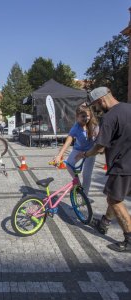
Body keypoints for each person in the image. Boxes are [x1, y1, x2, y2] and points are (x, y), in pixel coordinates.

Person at [76, 87, 131, 253]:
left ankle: (129, 238)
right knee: (115, 197)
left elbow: (99, 148)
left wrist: (85, 154)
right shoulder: (128, 108)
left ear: (101, 100)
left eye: (95, 106)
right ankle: (104, 223)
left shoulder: (109, 117)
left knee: (115, 200)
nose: (96, 109)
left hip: (121, 166)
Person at [54, 105, 99, 197]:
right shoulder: (76, 127)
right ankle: (77, 182)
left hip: (90, 152)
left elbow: (100, 141)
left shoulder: (94, 126)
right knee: (69, 164)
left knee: (87, 175)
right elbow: (68, 141)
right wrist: (59, 155)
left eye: (88, 116)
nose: (86, 118)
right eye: (83, 116)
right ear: (77, 117)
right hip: (78, 150)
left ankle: (84, 196)